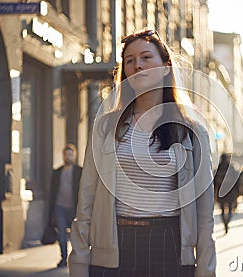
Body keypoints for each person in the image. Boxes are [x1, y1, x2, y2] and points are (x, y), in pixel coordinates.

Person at [68, 29, 216, 277]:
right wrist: (79, 261)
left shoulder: (191, 130)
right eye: (130, 60)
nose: (137, 65)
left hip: (169, 244)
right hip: (114, 246)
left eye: (146, 57)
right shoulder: (105, 127)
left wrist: (206, 269)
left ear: (166, 67)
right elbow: (86, 201)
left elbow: (204, 212)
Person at [49, 143, 82, 267]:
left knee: (75, 235)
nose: (68, 157)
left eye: (70, 155)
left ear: (74, 156)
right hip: (59, 207)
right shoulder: (57, 172)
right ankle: (63, 258)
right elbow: (52, 193)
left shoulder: (80, 171)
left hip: (74, 208)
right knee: (61, 234)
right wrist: (51, 212)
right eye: (66, 155)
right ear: (63, 156)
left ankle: (76, 258)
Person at [214, 153, 239, 234]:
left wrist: (215, 193)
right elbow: (236, 181)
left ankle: (225, 222)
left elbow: (214, 182)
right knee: (230, 208)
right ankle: (228, 220)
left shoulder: (219, 168)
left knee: (222, 209)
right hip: (230, 191)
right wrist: (238, 191)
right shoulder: (231, 167)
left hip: (221, 192)